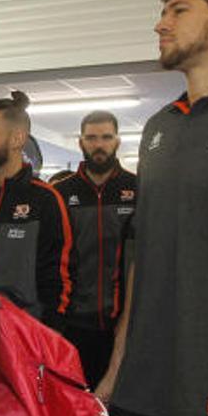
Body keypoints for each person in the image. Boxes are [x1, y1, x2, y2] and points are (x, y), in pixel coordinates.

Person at [99, 0, 208, 416]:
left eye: (179, 9)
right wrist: (115, 368)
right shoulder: (158, 129)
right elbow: (140, 255)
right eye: (162, 11)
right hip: (143, 392)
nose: (160, 24)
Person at [0, 91, 73, 328]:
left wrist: (48, 339)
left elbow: (58, 282)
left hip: (22, 337)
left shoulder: (44, 199)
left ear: (17, 139)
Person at [52, 110, 136, 387]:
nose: (99, 144)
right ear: (80, 142)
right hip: (73, 322)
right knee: (77, 404)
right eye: (91, 138)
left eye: (106, 137)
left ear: (117, 141)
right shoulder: (60, 193)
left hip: (126, 324)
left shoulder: (138, 189)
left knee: (121, 410)